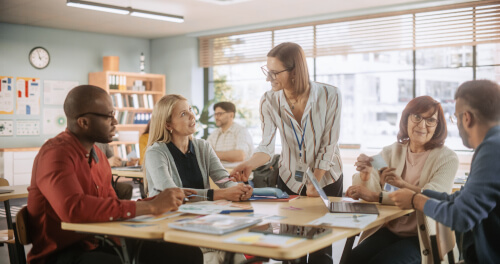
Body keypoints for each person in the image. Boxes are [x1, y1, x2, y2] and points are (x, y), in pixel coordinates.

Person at [26, 85, 203, 264]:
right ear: (84, 122)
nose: (115, 122)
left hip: (101, 242)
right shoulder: (56, 153)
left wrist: (158, 201)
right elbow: (73, 209)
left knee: (186, 253)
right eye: (108, 116)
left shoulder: (99, 157)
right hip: (62, 254)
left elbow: (112, 205)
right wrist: (151, 207)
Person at [230, 42, 343, 264]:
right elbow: (267, 146)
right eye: (267, 71)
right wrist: (250, 164)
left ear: (294, 71)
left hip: (327, 178)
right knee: (291, 247)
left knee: (321, 247)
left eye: (274, 73)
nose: (268, 78)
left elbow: (329, 144)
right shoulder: (269, 100)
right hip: (290, 178)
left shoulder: (330, 95)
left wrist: (315, 182)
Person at [390, 80, 500, 264]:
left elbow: (461, 216)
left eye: (455, 117)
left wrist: (414, 200)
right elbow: (459, 200)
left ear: (467, 118)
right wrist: (418, 193)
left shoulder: (492, 150)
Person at [344, 96, 459, 264]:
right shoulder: (391, 151)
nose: (422, 125)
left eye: (430, 120)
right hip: (390, 230)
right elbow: (368, 189)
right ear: (406, 120)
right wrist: (366, 175)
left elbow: (434, 196)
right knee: (352, 259)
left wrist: (400, 185)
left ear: (437, 127)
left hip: (422, 236)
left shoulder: (448, 158)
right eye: (417, 117)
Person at [144, 94, 253, 202]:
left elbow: (223, 179)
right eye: (183, 114)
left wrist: (238, 189)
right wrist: (220, 194)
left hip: (200, 214)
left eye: (190, 109)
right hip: (166, 216)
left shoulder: (203, 146)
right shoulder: (155, 152)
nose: (192, 116)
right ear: (168, 125)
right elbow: (172, 193)